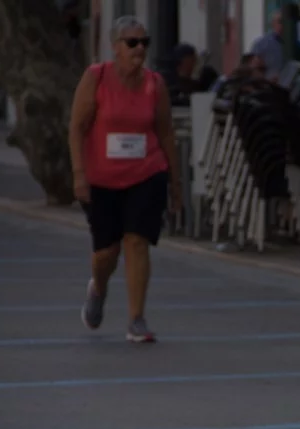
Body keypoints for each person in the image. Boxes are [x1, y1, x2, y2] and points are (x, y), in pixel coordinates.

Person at [68, 16, 181, 343]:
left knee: (137, 241)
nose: (139, 48)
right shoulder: (96, 77)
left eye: (144, 42)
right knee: (107, 252)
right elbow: (76, 128)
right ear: (115, 47)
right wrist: (78, 174)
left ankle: (136, 319)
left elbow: (166, 133)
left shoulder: (154, 84)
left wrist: (175, 183)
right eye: (132, 42)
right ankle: (99, 287)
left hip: (146, 173)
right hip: (101, 178)